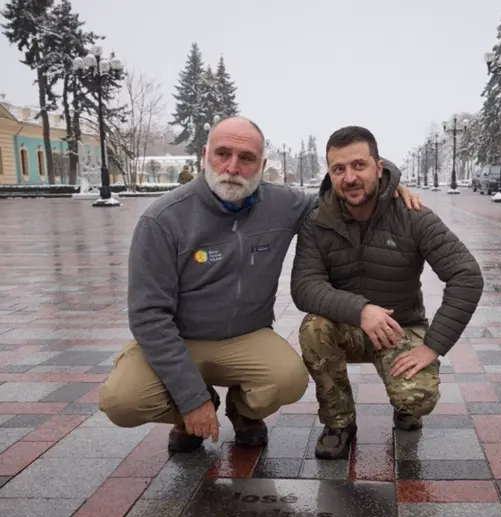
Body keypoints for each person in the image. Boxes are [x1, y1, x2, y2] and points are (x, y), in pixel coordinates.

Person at [98, 117, 422, 453]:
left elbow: (344, 190)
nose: (233, 167)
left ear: (262, 165)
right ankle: (191, 408)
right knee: (121, 401)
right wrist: (191, 398)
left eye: (246, 157)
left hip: (246, 338)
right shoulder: (162, 219)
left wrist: (387, 183)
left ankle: (243, 412)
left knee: (288, 379)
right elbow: (148, 315)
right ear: (204, 154)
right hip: (178, 339)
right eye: (222, 153)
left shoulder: (283, 204)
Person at [291, 126, 484, 460]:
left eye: (359, 166)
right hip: (348, 326)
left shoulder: (412, 215)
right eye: (339, 169)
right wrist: (362, 311)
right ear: (330, 173)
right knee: (314, 327)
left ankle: (405, 409)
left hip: (400, 327)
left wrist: (433, 346)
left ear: (379, 168)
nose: (349, 177)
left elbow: (466, 275)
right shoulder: (317, 221)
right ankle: (339, 423)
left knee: (417, 398)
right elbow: (305, 286)